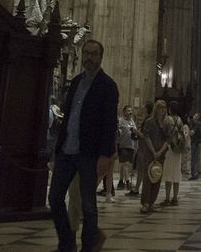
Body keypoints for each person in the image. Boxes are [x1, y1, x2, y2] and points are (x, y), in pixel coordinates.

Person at [47, 38, 119, 252]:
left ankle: (88, 246)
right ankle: (67, 243)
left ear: (100, 57)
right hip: (67, 150)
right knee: (55, 197)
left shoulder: (108, 86)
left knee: (88, 204)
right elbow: (68, 115)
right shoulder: (76, 82)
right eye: (86, 53)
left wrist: (105, 155)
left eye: (93, 53)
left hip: (88, 153)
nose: (88, 57)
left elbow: (109, 123)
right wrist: (56, 149)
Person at [137, 99, 171, 213]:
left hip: (161, 154)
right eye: (160, 108)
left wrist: (160, 151)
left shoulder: (166, 123)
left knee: (157, 177)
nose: (162, 110)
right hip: (149, 153)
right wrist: (153, 151)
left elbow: (168, 139)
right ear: (156, 109)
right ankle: (145, 202)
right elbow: (146, 137)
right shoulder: (150, 122)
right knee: (148, 178)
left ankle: (152, 202)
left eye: (164, 108)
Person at [161, 108, 185, 206]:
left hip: (170, 147)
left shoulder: (167, 119)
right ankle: (175, 198)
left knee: (168, 173)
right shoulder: (180, 119)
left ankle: (167, 198)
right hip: (178, 148)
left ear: (170, 110)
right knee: (176, 172)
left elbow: (164, 132)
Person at [117, 105, 138, 194]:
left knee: (125, 164)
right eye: (128, 110)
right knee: (125, 164)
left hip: (131, 145)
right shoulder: (121, 120)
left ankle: (121, 182)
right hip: (123, 145)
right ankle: (128, 182)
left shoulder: (132, 121)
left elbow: (135, 131)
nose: (130, 112)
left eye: (131, 110)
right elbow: (118, 131)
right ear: (124, 112)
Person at [189, 110, 201, 180]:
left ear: (198, 117)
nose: (194, 117)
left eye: (196, 116)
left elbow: (192, 133)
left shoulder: (197, 124)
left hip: (195, 143)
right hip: (196, 142)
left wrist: (189, 131)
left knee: (194, 158)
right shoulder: (198, 124)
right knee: (195, 158)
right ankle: (195, 173)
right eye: (194, 115)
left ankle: (194, 174)